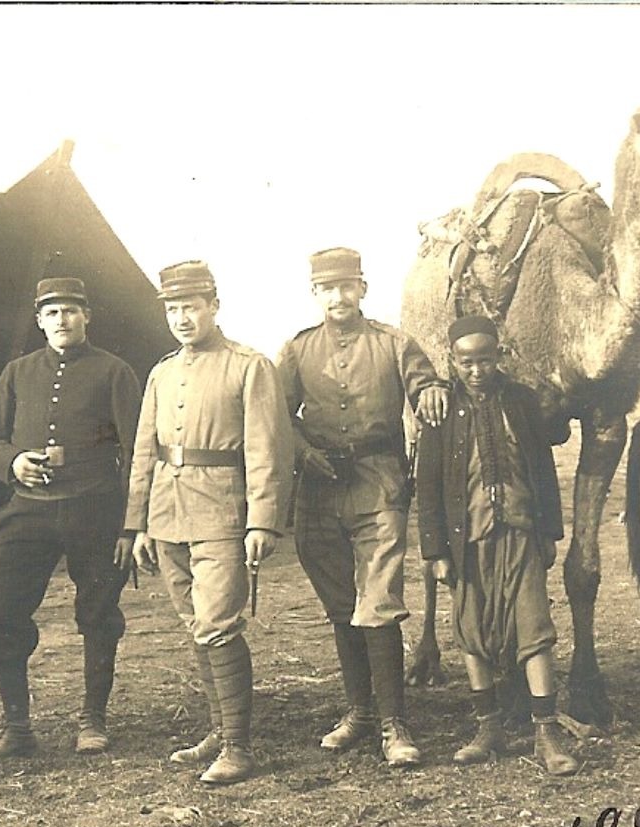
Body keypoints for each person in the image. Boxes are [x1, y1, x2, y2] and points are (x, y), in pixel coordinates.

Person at [276, 248, 448, 768]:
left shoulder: (394, 343)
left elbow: (424, 382)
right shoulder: (297, 350)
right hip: (320, 489)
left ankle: (395, 722)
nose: (338, 297)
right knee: (339, 604)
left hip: (379, 483)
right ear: (315, 294)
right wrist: (305, 453)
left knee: (379, 599)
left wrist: (433, 391)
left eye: (347, 286)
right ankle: (359, 712)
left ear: (363, 289)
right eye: (327, 288)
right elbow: (277, 417)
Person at [126, 261, 295, 785]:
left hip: (223, 512)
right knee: (195, 623)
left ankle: (240, 748)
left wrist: (262, 521)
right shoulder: (161, 372)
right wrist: (138, 524)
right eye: (173, 309)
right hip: (167, 512)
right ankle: (219, 732)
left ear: (213, 307)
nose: (181, 318)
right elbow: (143, 451)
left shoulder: (250, 366)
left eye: (191, 307)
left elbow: (269, 448)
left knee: (219, 623)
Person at [0, 277, 141, 758]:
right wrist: (13, 462)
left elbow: (136, 450)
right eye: (51, 313)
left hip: (96, 509)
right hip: (28, 510)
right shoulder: (18, 372)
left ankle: (93, 720)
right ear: (39, 321)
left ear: (87, 317)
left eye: (70, 311)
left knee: (98, 614)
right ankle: (17, 728)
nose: (62, 321)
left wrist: (131, 523)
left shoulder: (113, 371)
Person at [415, 315, 579, 775]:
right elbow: (427, 487)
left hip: (521, 530)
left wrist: (550, 532)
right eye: (466, 361)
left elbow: (543, 469)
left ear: (499, 356)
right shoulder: (440, 410)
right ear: (452, 360)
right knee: (473, 629)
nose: (476, 370)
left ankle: (546, 733)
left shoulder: (522, 402)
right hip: (466, 540)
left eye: (485, 359)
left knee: (533, 628)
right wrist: (436, 552)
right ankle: (488, 728)